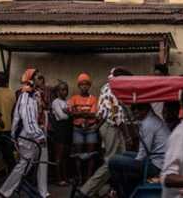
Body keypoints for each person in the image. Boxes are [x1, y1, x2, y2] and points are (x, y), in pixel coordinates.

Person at [80, 67, 131, 197]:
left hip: (110, 126)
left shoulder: (107, 86)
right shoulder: (113, 88)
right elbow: (117, 116)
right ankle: (87, 190)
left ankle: (114, 190)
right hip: (112, 127)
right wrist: (127, 135)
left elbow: (104, 113)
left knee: (121, 161)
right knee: (111, 162)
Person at [0, 69, 48, 198]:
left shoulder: (35, 94)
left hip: (36, 133)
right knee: (24, 164)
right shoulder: (27, 95)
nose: (41, 80)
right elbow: (27, 119)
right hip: (29, 135)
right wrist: (39, 135)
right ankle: (4, 192)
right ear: (31, 80)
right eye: (38, 77)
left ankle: (43, 192)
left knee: (39, 163)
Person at [110, 102, 170, 198]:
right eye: (133, 109)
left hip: (157, 165)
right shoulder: (149, 120)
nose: (134, 112)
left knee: (113, 160)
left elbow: (143, 153)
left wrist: (133, 164)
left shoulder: (148, 123)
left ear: (145, 109)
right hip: (155, 158)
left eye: (138, 109)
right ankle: (122, 190)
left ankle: (123, 193)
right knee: (124, 154)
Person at [68, 72, 99, 182]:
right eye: (82, 84)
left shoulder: (94, 99)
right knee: (78, 154)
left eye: (86, 84)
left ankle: (89, 178)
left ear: (89, 86)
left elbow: (94, 115)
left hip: (91, 129)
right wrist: (86, 113)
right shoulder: (74, 98)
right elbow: (71, 114)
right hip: (77, 129)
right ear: (79, 86)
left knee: (91, 154)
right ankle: (80, 178)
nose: (84, 86)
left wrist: (79, 112)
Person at [51, 81, 72, 187]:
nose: (65, 92)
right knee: (59, 156)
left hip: (67, 129)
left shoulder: (67, 102)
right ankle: (58, 178)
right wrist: (69, 113)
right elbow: (62, 116)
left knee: (65, 156)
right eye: (62, 89)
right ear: (58, 91)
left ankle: (65, 177)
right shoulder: (56, 102)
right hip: (60, 130)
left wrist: (68, 112)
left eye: (66, 89)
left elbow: (68, 114)